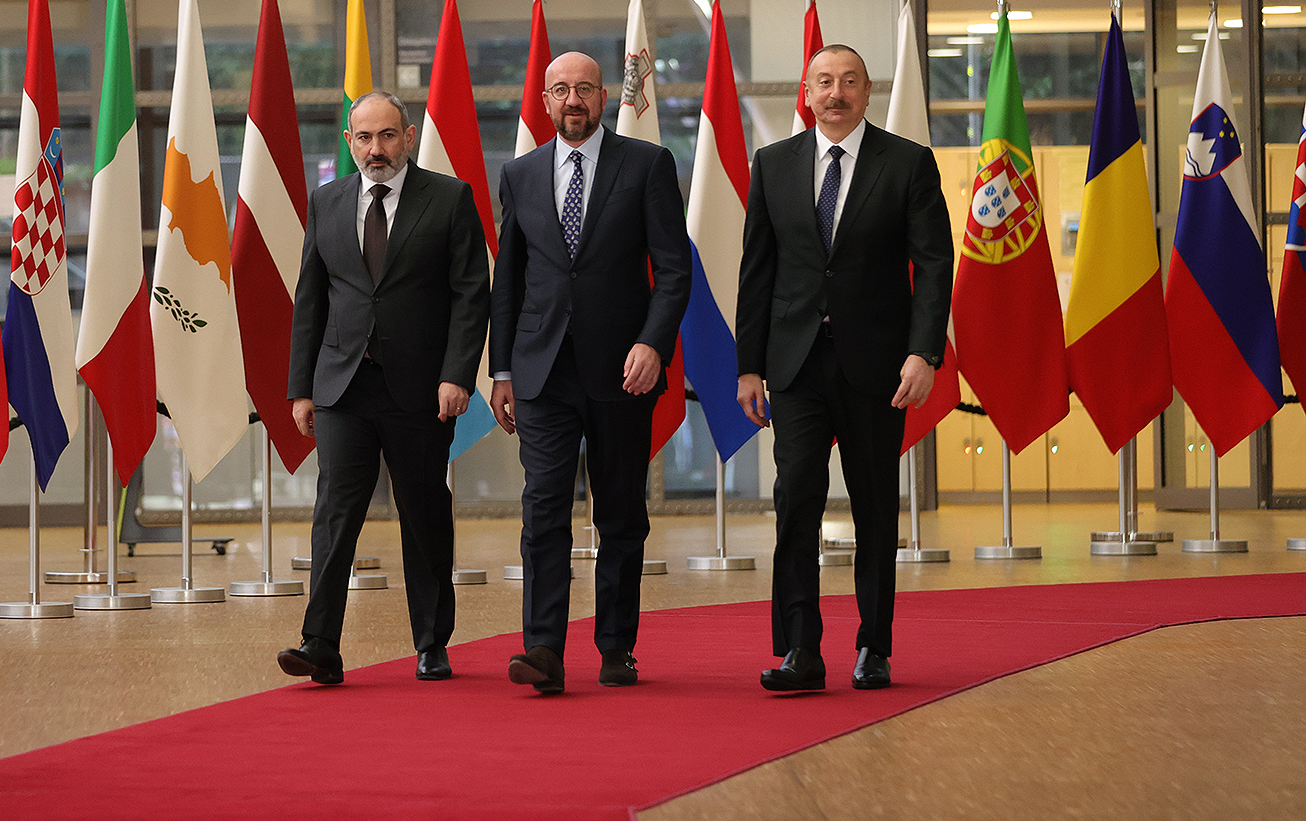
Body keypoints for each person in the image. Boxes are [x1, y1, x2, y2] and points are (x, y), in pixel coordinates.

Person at [736, 44, 952, 692]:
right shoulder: (773, 164)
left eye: (849, 82)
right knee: (795, 500)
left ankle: (874, 646)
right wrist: (748, 367)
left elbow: (934, 265)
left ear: (866, 92)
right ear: (806, 92)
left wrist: (924, 352)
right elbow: (757, 272)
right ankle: (800, 649)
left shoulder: (907, 163)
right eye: (824, 82)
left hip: (878, 365)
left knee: (875, 506)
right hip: (795, 364)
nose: (836, 93)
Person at [489, 51, 690, 694]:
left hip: (624, 371)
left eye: (584, 89)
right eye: (560, 90)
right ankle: (543, 649)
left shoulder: (648, 164)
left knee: (621, 512)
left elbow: (674, 271)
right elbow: (508, 281)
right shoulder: (519, 174)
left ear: (604, 97)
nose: (572, 100)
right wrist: (501, 369)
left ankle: (616, 647)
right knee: (543, 508)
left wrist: (653, 345)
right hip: (542, 370)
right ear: (545, 101)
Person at [279, 91, 490, 685]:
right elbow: (310, 300)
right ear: (350, 142)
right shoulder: (326, 202)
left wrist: (457, 375)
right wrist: (301, 389)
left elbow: (471, 295)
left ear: (409, 136)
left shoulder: (448, 199)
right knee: (334, 514)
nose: (377, 149)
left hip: (420, 390)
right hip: (342, 387)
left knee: (423, 514)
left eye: (388, 136)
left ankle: (431, 643)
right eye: (366, 138)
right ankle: (320, 643)